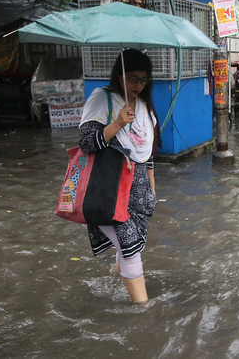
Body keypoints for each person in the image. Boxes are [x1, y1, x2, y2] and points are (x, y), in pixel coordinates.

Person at [79, 49, 159, 304]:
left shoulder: (145, 106)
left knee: (130, 245)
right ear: (119, 74)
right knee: (130, 246)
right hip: (109, 191)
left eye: (143, 80)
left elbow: (147, 153)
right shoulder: (102, 98)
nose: (138, 85)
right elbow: (86, 143)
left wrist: (152, 192)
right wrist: (116, 124)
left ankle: (116, 277)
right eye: (132, 78)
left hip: (139, 193)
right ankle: (144, 311)